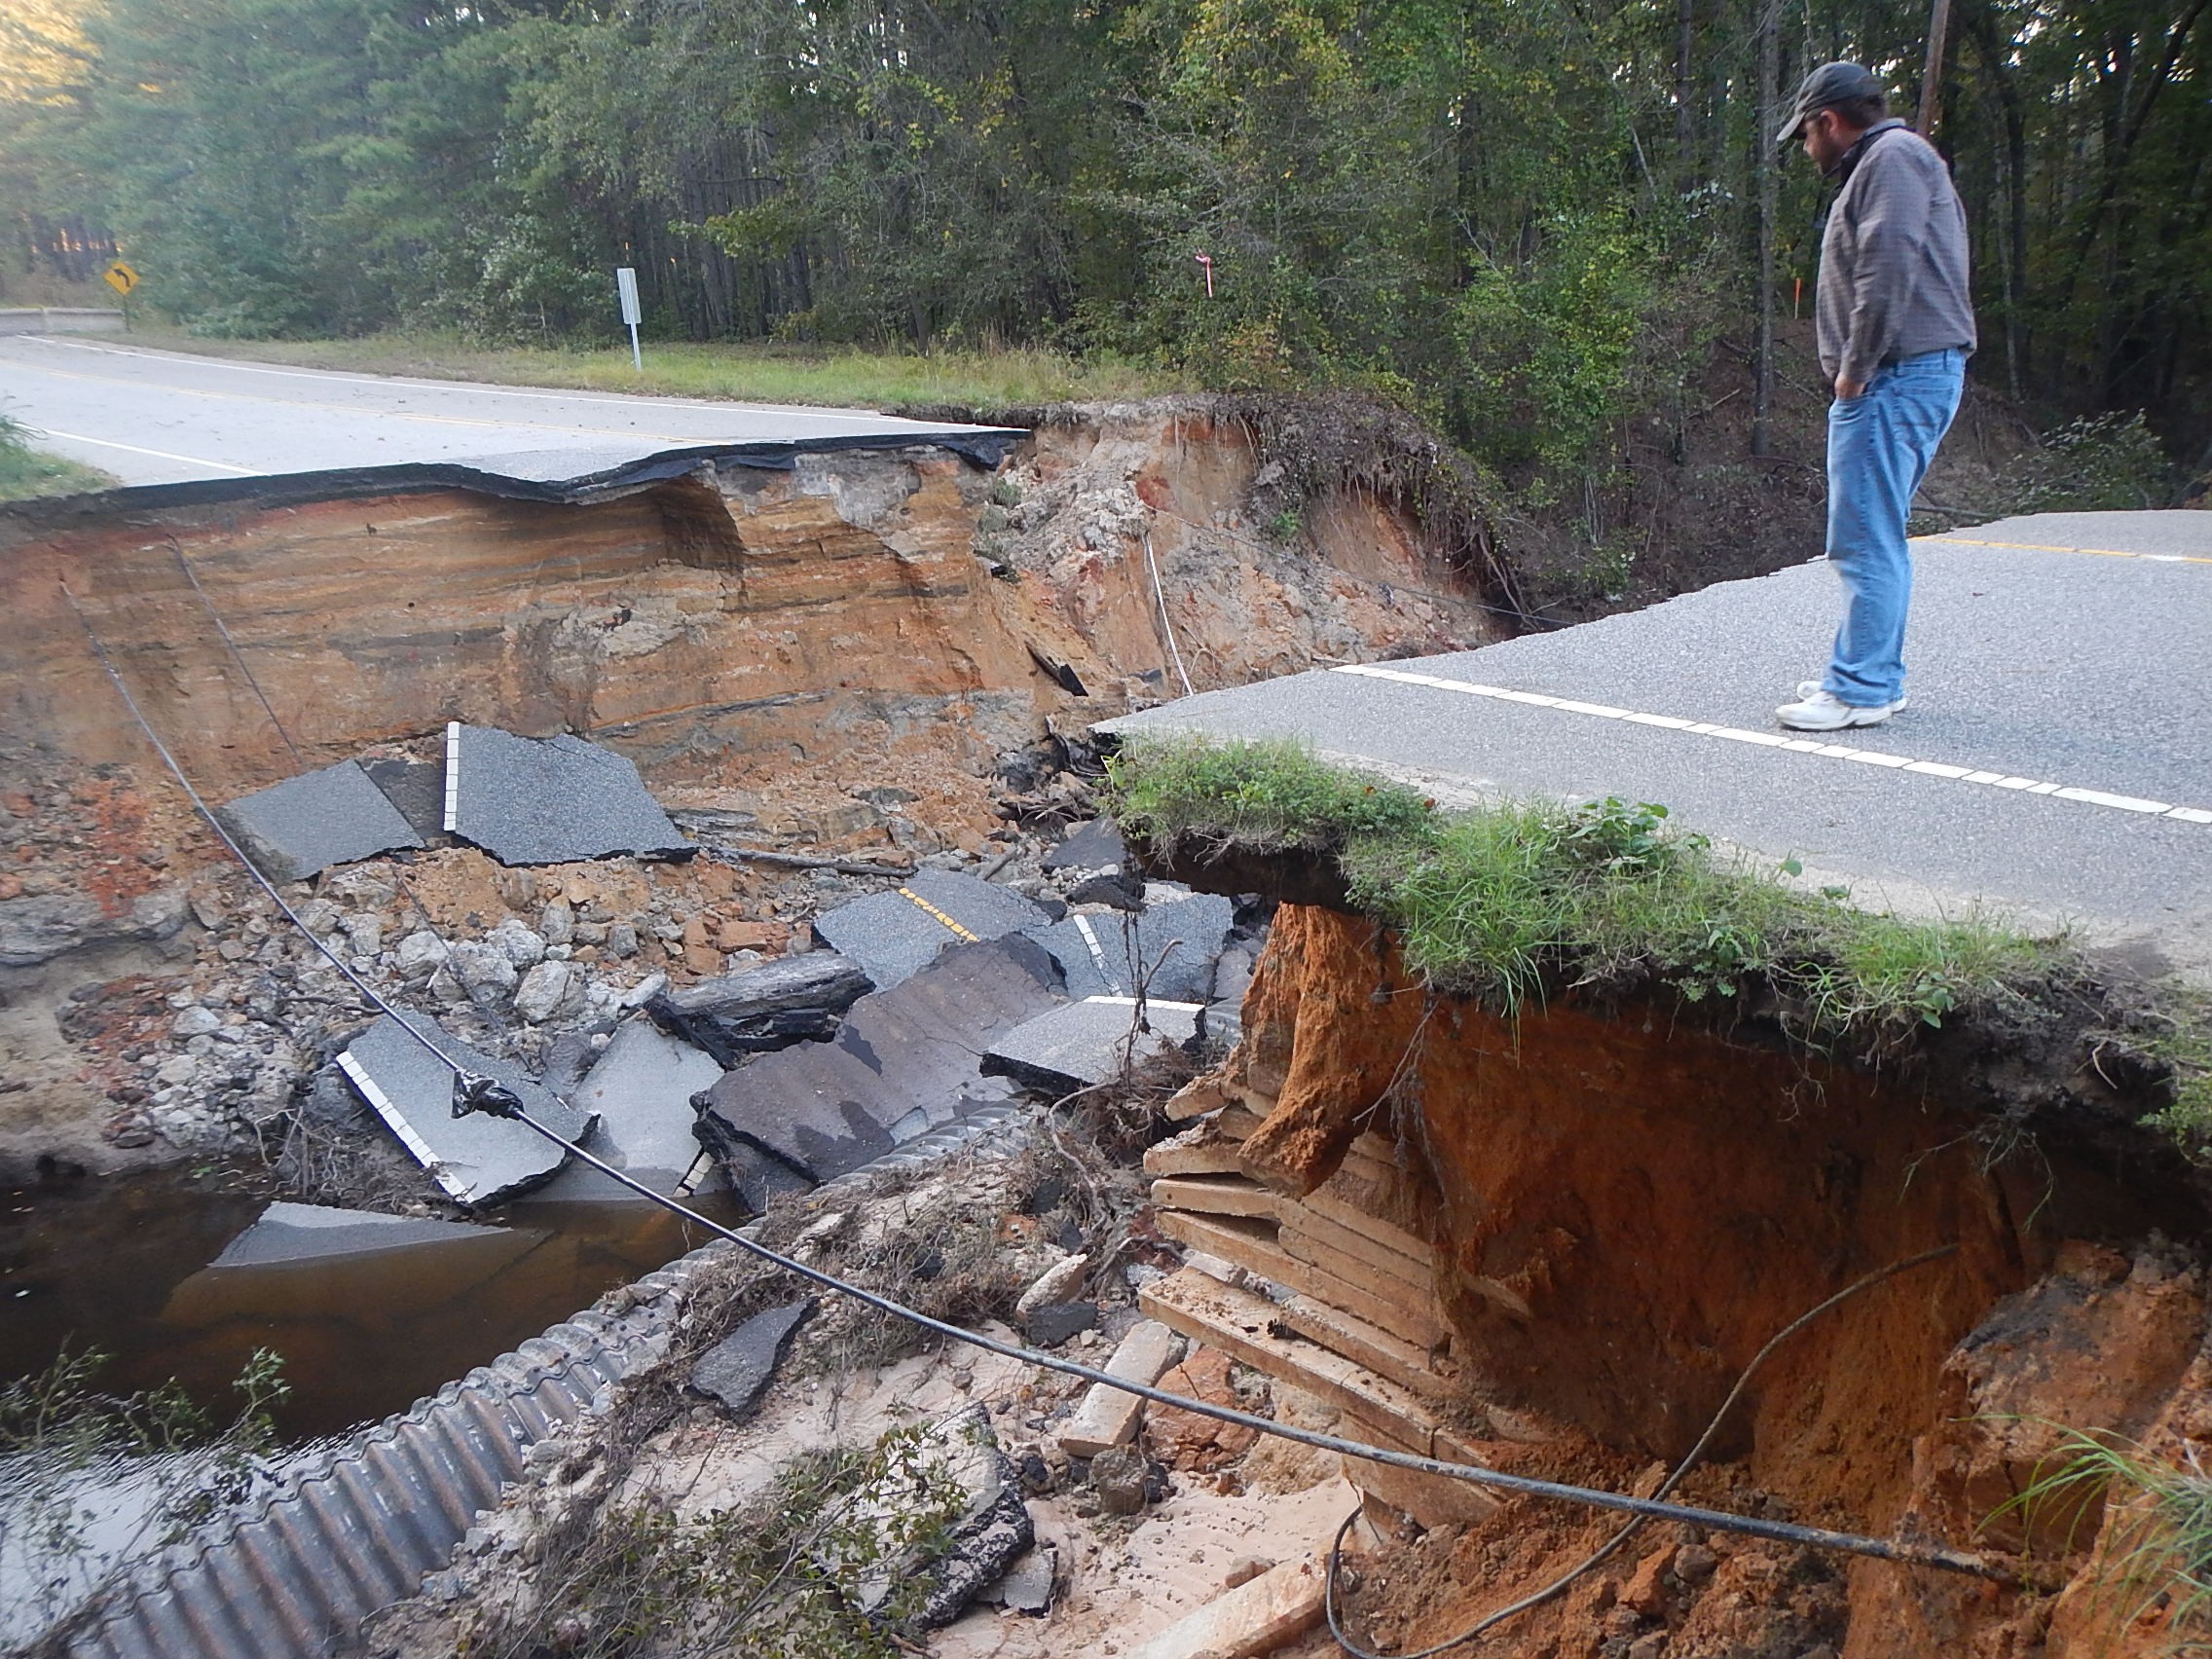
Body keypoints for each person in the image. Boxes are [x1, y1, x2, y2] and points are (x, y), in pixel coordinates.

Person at [1772, 62, 1975, 732]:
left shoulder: (1890, 158)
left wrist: (1855, 371)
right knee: (1874, 534)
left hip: (1894, 375)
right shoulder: (1895, 160)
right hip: (1904, 372)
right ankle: (1872, 674)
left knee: (1863, 539)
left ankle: (1859, 687)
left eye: (1804, 134)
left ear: (1828, 121)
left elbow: (1886, 266)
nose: (1806, 149)